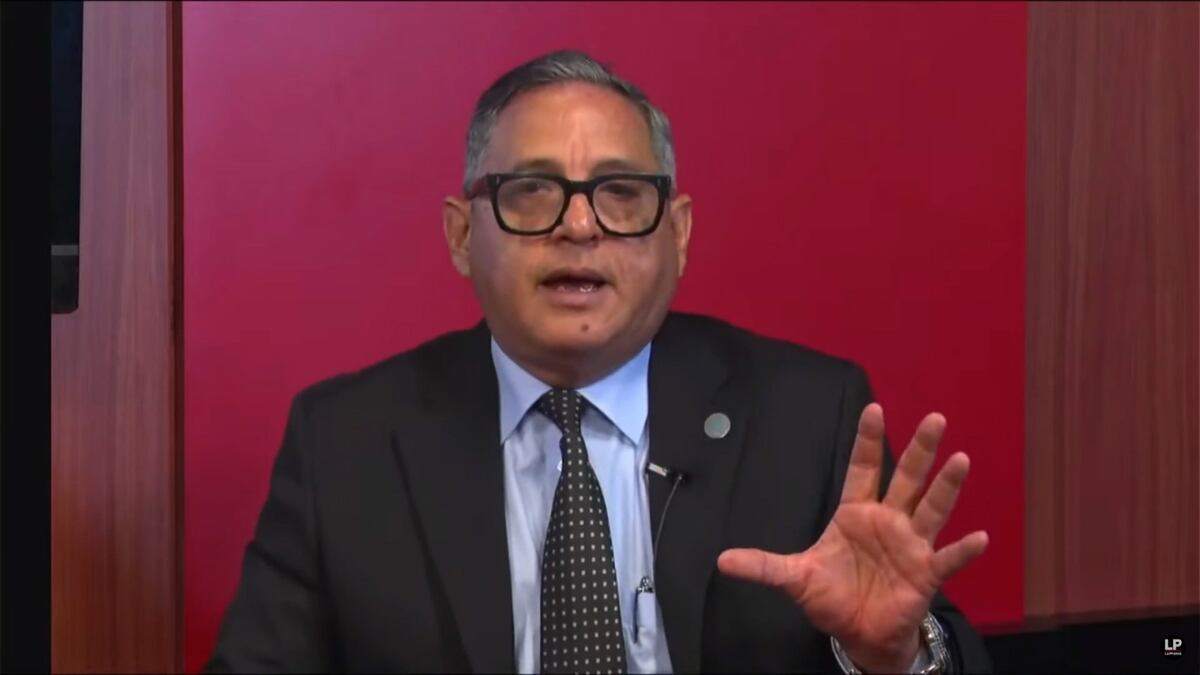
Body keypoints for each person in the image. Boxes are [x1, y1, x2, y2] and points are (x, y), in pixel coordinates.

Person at [207, 50, 992, 674]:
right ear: (461, 234)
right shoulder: (346, 443)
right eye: (531, 190)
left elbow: (933, 649)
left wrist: (892, 656)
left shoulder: (809, 418)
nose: (579, 226)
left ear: (677, 233)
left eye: (620, 193)